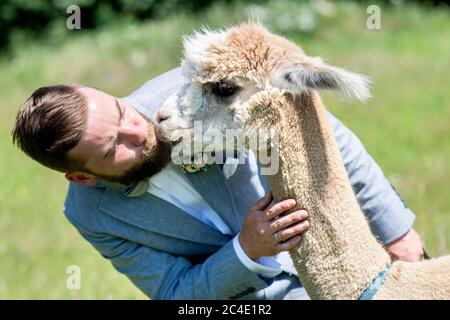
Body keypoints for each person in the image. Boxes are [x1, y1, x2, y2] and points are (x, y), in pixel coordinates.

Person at [12, 67, 425, 300]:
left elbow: (323, 138)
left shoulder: (192, 90)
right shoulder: (89, 213)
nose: (139, 132)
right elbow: (176, 294)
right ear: (82, 177)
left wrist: (397, 232)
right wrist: (247, 250)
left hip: (341, 245)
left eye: (122, 113)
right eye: (112, 147)